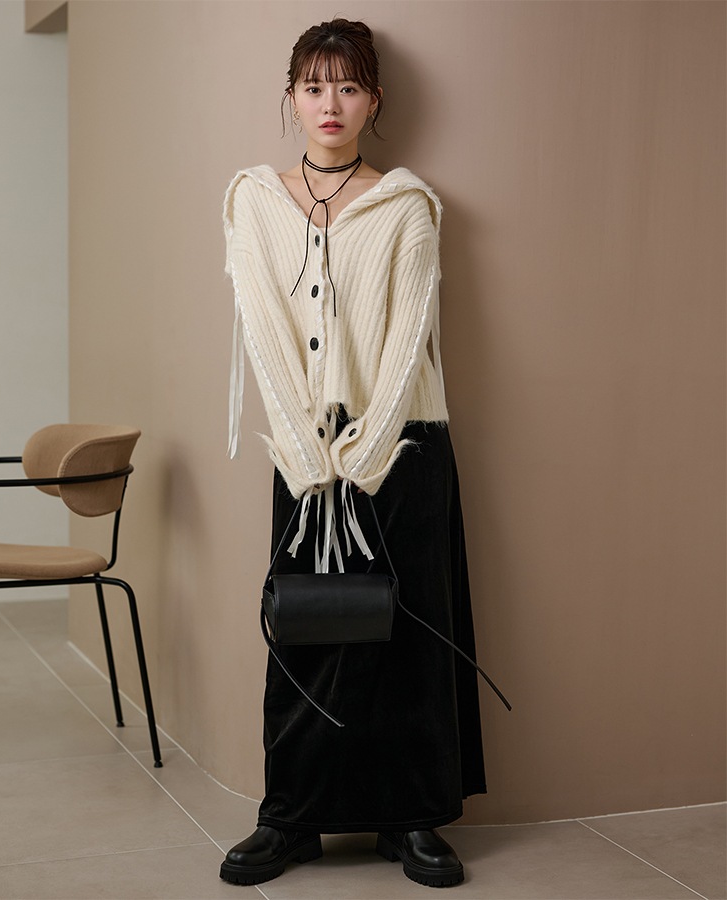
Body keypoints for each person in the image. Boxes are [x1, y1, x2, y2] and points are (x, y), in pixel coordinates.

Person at [220, 18, 495, 889]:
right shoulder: (254, 200)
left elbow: (411, 334)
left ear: (374, 100)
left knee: (408, 630)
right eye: (313, 86)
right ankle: (291, 819)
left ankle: (411, 819)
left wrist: (368, 452)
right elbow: (263, 329)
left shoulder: (408, 203)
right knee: (306, 628)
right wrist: (311, 460)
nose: (329, 103)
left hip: (404, 446)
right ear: (291, 97)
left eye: (347, 86)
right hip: (301, 450)